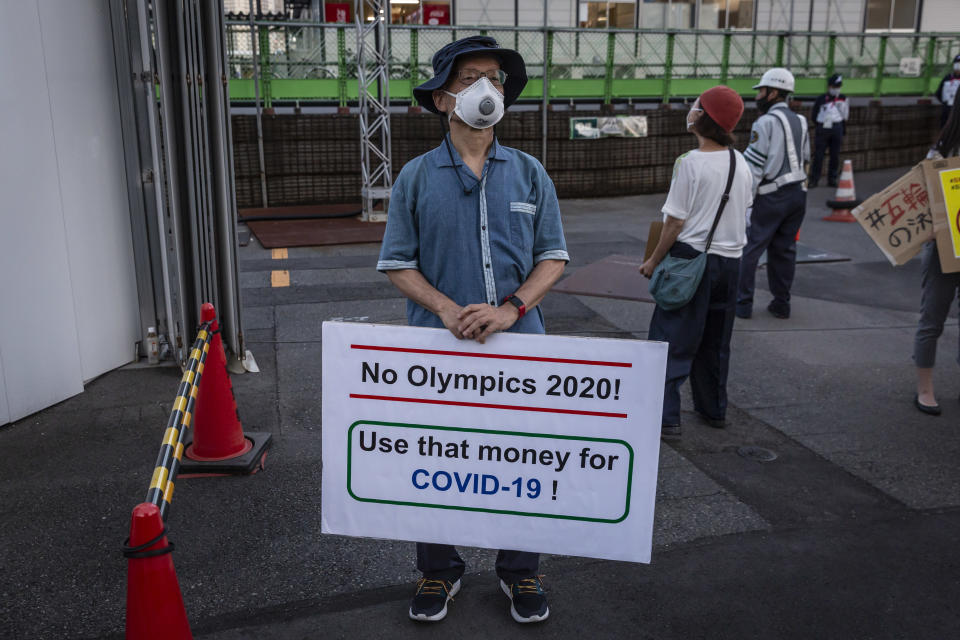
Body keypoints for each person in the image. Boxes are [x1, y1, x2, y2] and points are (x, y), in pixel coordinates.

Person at [377, 35, 568, 624]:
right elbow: (397, 264)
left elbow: (553, 257)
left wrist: (512, 308)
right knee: (437, 458)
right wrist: (443, 308)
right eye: (469, 78)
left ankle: (520, 569)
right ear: (441, 100)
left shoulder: (530, 173)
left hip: (520, 349)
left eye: (495, 77)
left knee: (520, 459)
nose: (487, 88)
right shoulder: (414, 178)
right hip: (441, 350)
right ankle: (438, 570)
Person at [639, 86, 753, 440]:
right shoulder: (741, 162)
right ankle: (713, 409)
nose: (690, 110)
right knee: (716, 342)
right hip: (731, 262)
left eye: (696, 106)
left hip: (692, 259)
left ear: (705, 116)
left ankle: (666, 417)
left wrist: (654, 261)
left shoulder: (690, 163)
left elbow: (675, 222)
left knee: (671, 337)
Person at [736, 68, 810, 320]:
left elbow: (754, 167)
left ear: (774, 92)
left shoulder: (764, 123)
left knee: (751, 248)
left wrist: (745, 202)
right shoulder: (801, 120)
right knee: (785, 249)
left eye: (762, 91)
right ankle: (782, 303)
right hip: (798, 195)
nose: (758, 97)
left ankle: (742, 304)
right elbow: (806, 158)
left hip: (770, 195)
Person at [914, 98, 960, 416]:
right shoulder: (943, 149)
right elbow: (920, 193)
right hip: (944, 246)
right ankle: (925, 389)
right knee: (932, 319)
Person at [809, 73, 849, 188]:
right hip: (823, 127)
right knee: (818, 155)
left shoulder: (843, 98)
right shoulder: (821, 99)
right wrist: (820, 124)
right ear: (829, 86)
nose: (836, 89)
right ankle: (814, 179)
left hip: (837, 127)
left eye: (838, 86)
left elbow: (845, 115)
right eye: (834, 86)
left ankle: (832, 179)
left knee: (835, 155)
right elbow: (814, 115)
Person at [934, 54, 960, 127]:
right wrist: (947, 104)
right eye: (957, 64)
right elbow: (939, 93)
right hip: (948, 112)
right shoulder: (947, 78)